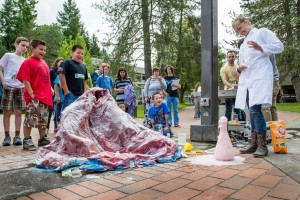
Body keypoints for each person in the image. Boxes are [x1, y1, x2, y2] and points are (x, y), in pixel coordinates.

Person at [232, 15, 284, 157]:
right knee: (251, 111)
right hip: (248, 80)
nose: (239, 32)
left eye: (239, 28)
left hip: (260, 77)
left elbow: (279, 47)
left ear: (247, 22)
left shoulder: (262, 32)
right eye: (236, 31)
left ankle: (262, 145)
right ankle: (254, 143)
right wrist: (239, 69)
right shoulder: (243, 44)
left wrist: (262, 47)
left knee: (255, 110)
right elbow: (242, 63)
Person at [16, 39, 53, 150]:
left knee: (43, 120)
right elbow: (25, 79)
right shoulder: (28, 62)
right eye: (40, 49)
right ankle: (27, 139)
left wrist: (50, 89)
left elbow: (46, 79)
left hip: (45, 97)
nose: (43, 52)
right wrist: (31, 92)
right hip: (35, 96)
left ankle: (42, 138)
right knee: (31, 119)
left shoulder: (44, 63)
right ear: (32, 48)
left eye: (44, 50)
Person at [0, 37, 29, 146]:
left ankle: (17, 136)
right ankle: (7, 136)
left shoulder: (25, 60)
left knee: (18, 112)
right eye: (22, 45)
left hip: (20, 87)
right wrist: (3, 82)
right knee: (7, 111)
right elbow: (0, 68)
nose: (24, 48)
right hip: (9, 86)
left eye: (26, 46)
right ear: (16, 45)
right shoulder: (8, 56)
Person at [58, 45, 88, 110]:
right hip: (70, 94)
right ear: (72, 53)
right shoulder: (66, 63)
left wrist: (84, 93)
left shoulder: (83, 66)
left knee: (77, 116)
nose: (80, 55)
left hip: (80, 96)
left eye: (82, 54)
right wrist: (66, 91)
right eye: (78, 53)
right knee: (67, 115)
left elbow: (85, 81)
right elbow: (61, 75)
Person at [220, 51, 244, 121]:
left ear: (235, 57)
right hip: (228, 92)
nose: (231, 58)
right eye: (229, 57)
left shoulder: (239, 66)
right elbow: (224, 80)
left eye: (232, 56)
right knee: (228, 109)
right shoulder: (223, 68)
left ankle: (240, 126)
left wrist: (237, 85)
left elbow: (244, 78)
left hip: (238, 91)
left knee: (238, 109)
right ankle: (226, 126)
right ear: (227, 58)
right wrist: (231, 85)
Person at [46, 57, 64, 134]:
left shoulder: (62, 72)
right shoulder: (52, 71)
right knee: (50, 111)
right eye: (60, 62)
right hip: (51, 92)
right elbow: (47, 81)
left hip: (59, 93)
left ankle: (56, 128)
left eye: (62, 62)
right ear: (56, 62)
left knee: (57, 112)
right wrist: (51, 89)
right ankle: (47, 127)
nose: (61, 63)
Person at [261, 54, 280, 122]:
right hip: (274, 80)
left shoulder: (266, 50)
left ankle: (269, 130)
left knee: (265, 108)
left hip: (269, 81)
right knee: (272, 107)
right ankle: (275, 130)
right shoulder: (270, 49)